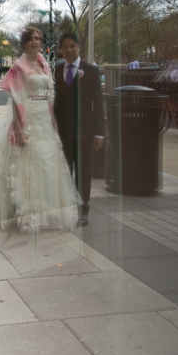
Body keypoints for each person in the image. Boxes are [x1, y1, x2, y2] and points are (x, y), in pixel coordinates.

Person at [0, 27, 79, 232]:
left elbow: (50, 94)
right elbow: (15, 99)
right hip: (28, 117)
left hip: (45, 119)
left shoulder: (44, 63)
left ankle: (46, 207)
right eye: (30, 39)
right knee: (27, 164)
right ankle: (26, 209)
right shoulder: (19, 66)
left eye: (38, 39)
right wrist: (19, 129)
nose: (35, 42)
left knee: (47, 163)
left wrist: (53, 120)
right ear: (24, 43)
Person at [53, 32, 105, 227]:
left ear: (79, 47)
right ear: (61, 49)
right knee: (65, 171)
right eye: (65, 46)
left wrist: (99, 133)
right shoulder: (57, 69)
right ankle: (66, 207)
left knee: (83, 173)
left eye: (72, 46)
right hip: (63, 132)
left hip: (85, 132)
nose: (68, 50)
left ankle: (83, 210)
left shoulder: (90, 70)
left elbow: (98, 104)